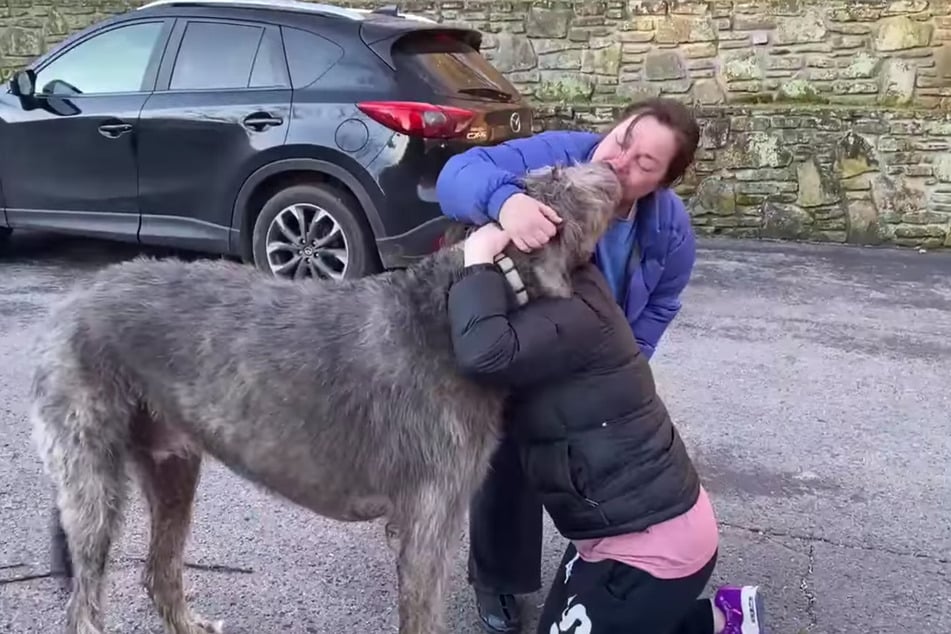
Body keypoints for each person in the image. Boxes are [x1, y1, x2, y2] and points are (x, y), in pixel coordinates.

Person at [435, 97, 701, 632]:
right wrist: (507, 202)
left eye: (643, 164)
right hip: (520, 326)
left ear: (663, 182)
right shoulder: (559, 153)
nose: (618, 161)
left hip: (591, 351)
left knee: (592, 457)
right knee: (508, 455)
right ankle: (501, 578)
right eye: (623, 139)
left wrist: (628, 363)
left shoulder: (671, 231)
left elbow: (662, 302)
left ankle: (603, 560)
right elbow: (457, 174)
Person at [445, 222, 765, 634]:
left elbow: (482, 352)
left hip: (654, 550)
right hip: (620, 536)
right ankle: (722, 616)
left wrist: (477, 260)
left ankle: (720, 622)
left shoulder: (567, 320)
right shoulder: (565, 298)